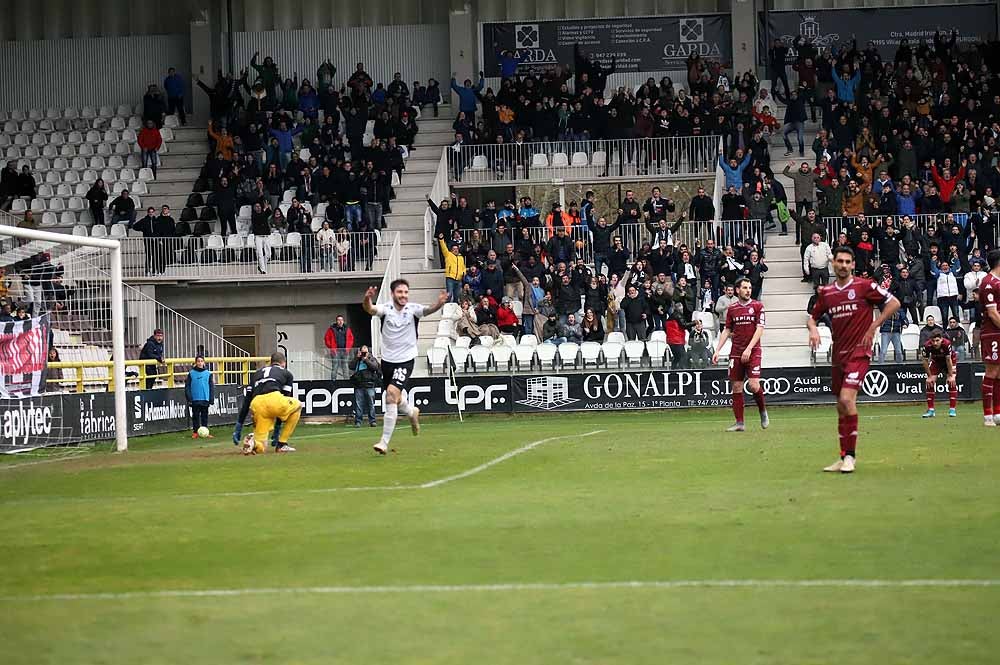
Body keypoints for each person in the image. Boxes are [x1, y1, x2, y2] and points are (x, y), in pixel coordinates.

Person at [808, 247, 900, 473]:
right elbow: (812, 317)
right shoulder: (827, 292)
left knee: (847, 400)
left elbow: (894, 302)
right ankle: (842, 456)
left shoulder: (864, 286)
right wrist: (813, 330)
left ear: (852, 265)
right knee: (841, 406)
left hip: (859, 352)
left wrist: (873, 327)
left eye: (848, 261)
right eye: (839, 261)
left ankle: (850, 457)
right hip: (839, 354)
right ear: (833, 263)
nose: (843, 265)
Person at [363, 280, 447, 455]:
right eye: (400, 292)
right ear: (393, 294)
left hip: (405, 360)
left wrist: (439, 303)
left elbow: (428, 310)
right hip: (387, 361)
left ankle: (383, 442)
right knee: (395, 398)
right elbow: (370, 309)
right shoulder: (386, 309)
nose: (403, 295)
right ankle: (411, 411)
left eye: (406, 292)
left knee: (390, 396)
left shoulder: (413, 309)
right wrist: (367, 299)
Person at [712, 278, 768, 432]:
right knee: (736, 386)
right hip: (736, 352)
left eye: (749, 287)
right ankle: (740, 423)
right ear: (737, 290)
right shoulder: (732, 308)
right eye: (745, 287)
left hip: (753, 350)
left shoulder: (757, 306)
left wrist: (749, 348)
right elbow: (727, 330)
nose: (748, 290)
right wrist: (717, 350)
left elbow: (760, 329)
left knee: (753, 385)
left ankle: (762, 411)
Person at [238, 352, 301, 454]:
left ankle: (253, 442)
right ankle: (282, 444)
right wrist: (277, 428)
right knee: (298, 406)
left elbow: (247, 400)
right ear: (283, 363)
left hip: (257, 403)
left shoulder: (257, 374)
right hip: (274, 399)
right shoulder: (287, 373)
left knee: (261, 447)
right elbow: (284, 397)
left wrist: (239, 425)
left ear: (271, 362)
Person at [976, 249, 1000, 426]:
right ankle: (987, 415)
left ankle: (998, 413)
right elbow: (992, 313)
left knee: (999, 373)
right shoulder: (988, 283)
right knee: (991, 372)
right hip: (992, 332)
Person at [921, 330, 958, 419]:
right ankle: (931, 410)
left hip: (949, 361)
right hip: (936, 361)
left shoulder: (947, 344)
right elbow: (925, 361)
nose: (935, 343)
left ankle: (952, 409)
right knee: (930, 383)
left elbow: (948, 360)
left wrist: (951, 375)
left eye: (937, 340)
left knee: (951, 382)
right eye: (933, 341)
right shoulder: (927, 345)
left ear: (941, 339)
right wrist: (929, 376)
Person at [349, 346, 380, 428]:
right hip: (359, 385)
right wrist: (357, 358)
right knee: (359, 404)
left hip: (369, 384)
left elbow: (375, 367)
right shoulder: (357, 360)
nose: (363, 354)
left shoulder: (372, 359)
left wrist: (366, 359)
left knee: (371, 404)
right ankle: (358, 421)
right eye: (362, 352)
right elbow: (350, 366)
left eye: (365, 352)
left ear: (368, 352)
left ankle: (372, 421)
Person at [185, 355, 215, 438]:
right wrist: (189, 397)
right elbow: (187, 386)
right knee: (195, 415)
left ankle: (205, 431)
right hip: (195, 398)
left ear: (204, 362)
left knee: (204, 415)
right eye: (198, 361)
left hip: (205, 397)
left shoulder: (208, 373)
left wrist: (211, 398)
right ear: (195, 362)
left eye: (201, 361)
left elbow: (211, 386)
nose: (200, 363)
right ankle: (195, 432)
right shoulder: (191, 373)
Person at [324, 315, 355, 380]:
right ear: (336, 321)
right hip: (335, 351)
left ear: (343, 321)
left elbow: (351, 339)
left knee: (345, 366)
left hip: (345, 351)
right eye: (339, 320)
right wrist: (331, 347)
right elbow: (326, 338)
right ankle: (333, 381)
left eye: (341, 320)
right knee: (335, 366)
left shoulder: (347, 329)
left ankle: (346, 381)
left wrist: (348, 348)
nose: (340, 321)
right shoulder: (331, 329)